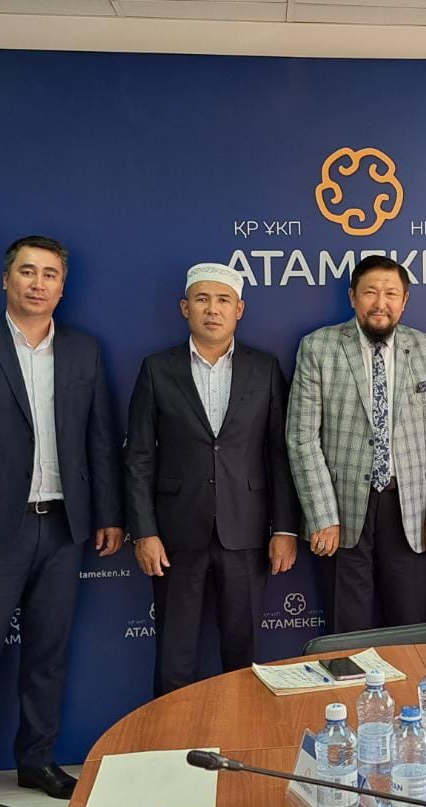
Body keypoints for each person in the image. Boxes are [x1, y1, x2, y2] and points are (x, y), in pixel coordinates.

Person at [0, 235, 124, 799]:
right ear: (5, 280)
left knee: (47, 655)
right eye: (28, 272)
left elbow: (101, 439)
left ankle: (36, 760)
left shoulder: (84, 350)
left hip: (64, 526)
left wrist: (109, 513)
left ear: (62, 287)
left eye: (50, 275)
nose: (38, 284)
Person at [124, 263, 299, 696]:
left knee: (243, 657)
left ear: (239, 310)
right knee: (174, 657)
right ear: (185, 308)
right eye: (202, 299)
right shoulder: (156, 369)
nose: (212, 309)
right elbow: (139, 458)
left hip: (246, 533)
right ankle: (171, 738)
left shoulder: (264, 368)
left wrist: (285, 528)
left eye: (223, 300)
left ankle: (240, 735)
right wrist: (144, 532)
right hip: (176, 536)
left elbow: (280, 455)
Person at [287, 256, 426, 633]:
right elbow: (302, 437)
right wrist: (322, 516)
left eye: (391, 294)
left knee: (409, 630)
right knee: (347, 634)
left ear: (405, 300)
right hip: (342, 510)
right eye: (370, 293)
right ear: (353, 297)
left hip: (410, 510)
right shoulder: (318, 347)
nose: (380, 303)